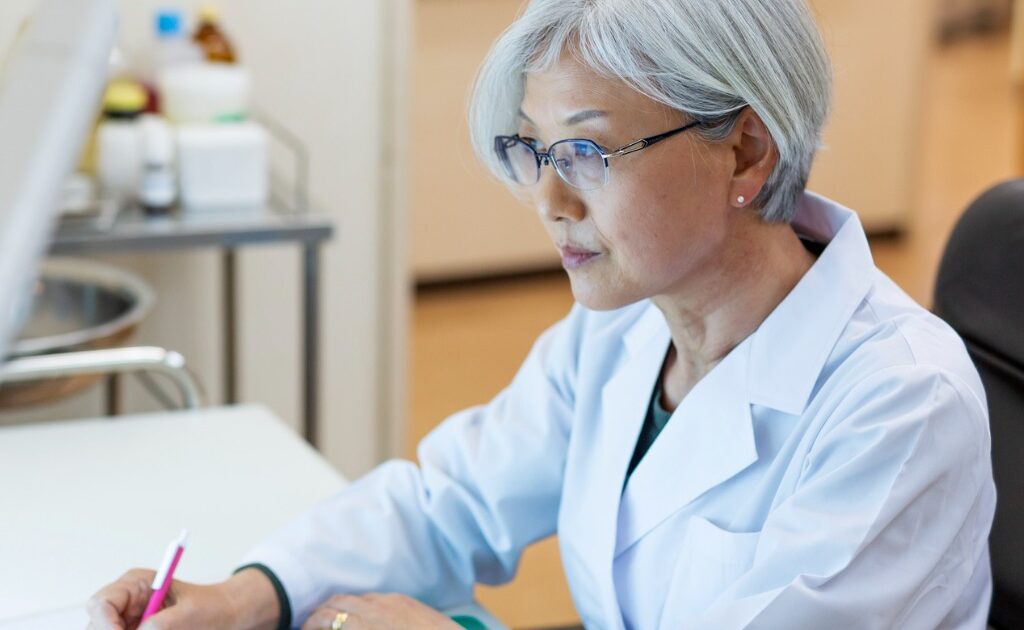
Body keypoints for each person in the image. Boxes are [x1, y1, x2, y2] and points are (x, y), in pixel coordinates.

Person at [87, 0, 997, 628]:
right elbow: (451, 502)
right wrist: (251, 596)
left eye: (591, 152)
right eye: (534, 148)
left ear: (746, 151)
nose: (549, 198)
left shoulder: (901, 406)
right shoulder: (628, 326)